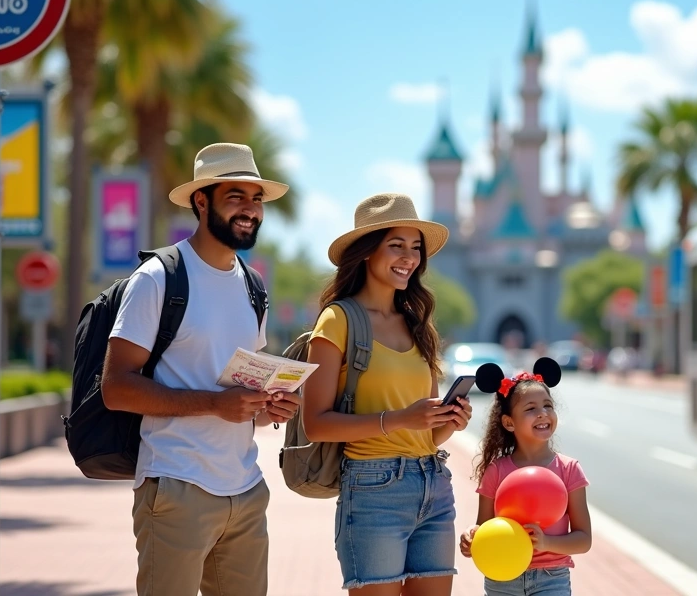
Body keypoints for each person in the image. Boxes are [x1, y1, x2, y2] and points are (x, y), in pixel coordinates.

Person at [101, 142, 300, 596]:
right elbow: (116, 388)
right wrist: (215, 404)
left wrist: (269, 406)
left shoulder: (253, 286)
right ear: (201, 200)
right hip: (177, 486)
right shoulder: (158, 278)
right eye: (236, 197)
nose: (250, 209)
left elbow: (240, 395)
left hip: (245, 490)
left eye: (256, 199)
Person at [303, 192, 473, 595]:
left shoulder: (418, 324)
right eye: (396, 245)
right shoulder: (338, 320)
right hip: (372, 490)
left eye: (415, 248)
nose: (409, 258)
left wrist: (449, 421)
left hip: (433, 485)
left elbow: (425, 435)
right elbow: (315, 424)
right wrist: (400, 418)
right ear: (366, 251)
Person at [459, 371, 592, 595]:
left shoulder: (569, 469)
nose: (542, 413)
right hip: (502, 577)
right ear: (509, 422)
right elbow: (484, 526)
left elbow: (584, 539)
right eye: (531, 409)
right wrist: (472, 537)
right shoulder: (496, 470)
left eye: (548, 405)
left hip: (551, 579)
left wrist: (546, 542)